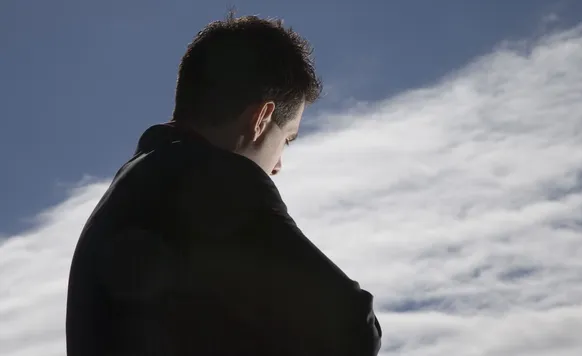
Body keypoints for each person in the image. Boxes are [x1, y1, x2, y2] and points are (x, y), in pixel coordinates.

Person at [65, 13, 382, 356]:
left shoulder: (129, 190)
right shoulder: (213, 178)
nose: (277, 166)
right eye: (286, 139)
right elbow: (352, 326)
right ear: (261, 119)